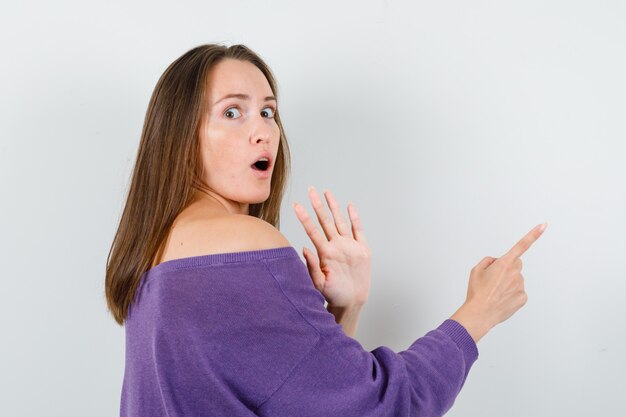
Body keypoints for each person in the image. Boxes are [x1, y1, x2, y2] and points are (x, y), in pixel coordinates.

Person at [105, 43, 547, 417]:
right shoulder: (245, 244)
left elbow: (297, 399)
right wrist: (479, 313)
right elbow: (381, 406)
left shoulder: (156, 254)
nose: (263, 131)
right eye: (233, 112)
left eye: (269, 112)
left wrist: (344, 311)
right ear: (180, 134)